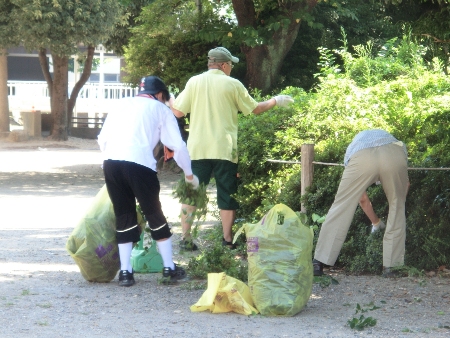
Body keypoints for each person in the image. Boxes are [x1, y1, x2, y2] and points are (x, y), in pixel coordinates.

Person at [169, 47, 295, 251]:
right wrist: (276, 101)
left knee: (191, 194)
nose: (231, 69)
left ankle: (185, 238)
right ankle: (227, 240)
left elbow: (177, 112)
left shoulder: (194, 82)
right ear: (224, 65)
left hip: (198, 149)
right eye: (231, 65)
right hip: (225, 149)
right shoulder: (233, 84)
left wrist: (171, 99)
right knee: (226, 194)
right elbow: (255, 109)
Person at [97, 76, 199, 286]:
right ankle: (169, 268)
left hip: (111, 163)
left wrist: (108, 162)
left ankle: (125, 273)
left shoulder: (121, 104)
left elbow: (102, 138)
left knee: (123, 215)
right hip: (139, 164)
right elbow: (177, 146)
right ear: (160, 94)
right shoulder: (160, 109)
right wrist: (189, 175)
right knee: (154, 213)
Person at [313, 129, 409, 278]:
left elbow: (362, 198)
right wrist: (399, 200)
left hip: (362, 156)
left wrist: (375, 222)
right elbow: (405, 186)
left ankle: (318, 262)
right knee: (398, 205)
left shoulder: (353, 148)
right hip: (393, 153)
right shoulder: (393, 140)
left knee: (342, 205)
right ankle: (391, 266)